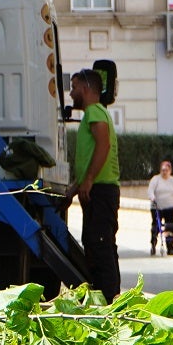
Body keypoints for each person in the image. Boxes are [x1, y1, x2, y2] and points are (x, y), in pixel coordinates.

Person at [69, 68, 121, 298]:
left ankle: (109, 300)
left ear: (86, 88)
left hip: (101, 191)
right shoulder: (95, 114)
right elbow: (91, 155)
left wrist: (89, 180)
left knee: (100, 245)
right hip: (98, 190)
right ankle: (106, 297)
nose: (71, 94)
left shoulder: (95, 113)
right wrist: (74, 189)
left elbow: (103, 145)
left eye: (74, 87)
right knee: (98, 244)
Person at [147, 159, 173, 255]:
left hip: (170, 207)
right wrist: (152, 198)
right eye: (163, 170)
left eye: (166, 170)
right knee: (156, 225)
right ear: (160, 170)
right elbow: (150, 190)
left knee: (170, 226)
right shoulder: (155, 179)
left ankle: (170, 247)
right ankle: (153, 244)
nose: (164, 172)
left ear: (170, 171)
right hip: (157, 207)